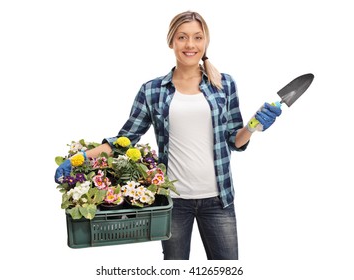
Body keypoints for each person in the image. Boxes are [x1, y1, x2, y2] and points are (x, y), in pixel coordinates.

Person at [55, 11, 281, 260]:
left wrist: (252, 127)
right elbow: (125, 140)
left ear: (205, 42)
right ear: (171, 41)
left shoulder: (224, 84)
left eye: (197, 37)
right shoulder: (152, 90)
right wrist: (81, 158)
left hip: (219, 200)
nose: (190, 44)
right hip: (173, 203)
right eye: (182, 37)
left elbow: (234, 141)